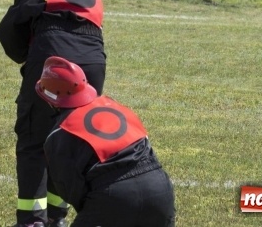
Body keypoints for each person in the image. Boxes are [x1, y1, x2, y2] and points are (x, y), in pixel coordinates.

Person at [0, 0, 107, 227]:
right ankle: (58, 216)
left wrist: (24, 57)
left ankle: (32, 220)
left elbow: (16, 25)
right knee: (72, 138)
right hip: (93, 60)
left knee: (34, 139)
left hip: (52, 54)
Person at [35, 56, 176, 227]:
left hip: (114, 196)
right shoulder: (114, 105)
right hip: (160, 189)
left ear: (51, 98)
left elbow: (71, 188)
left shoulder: (60, 134)